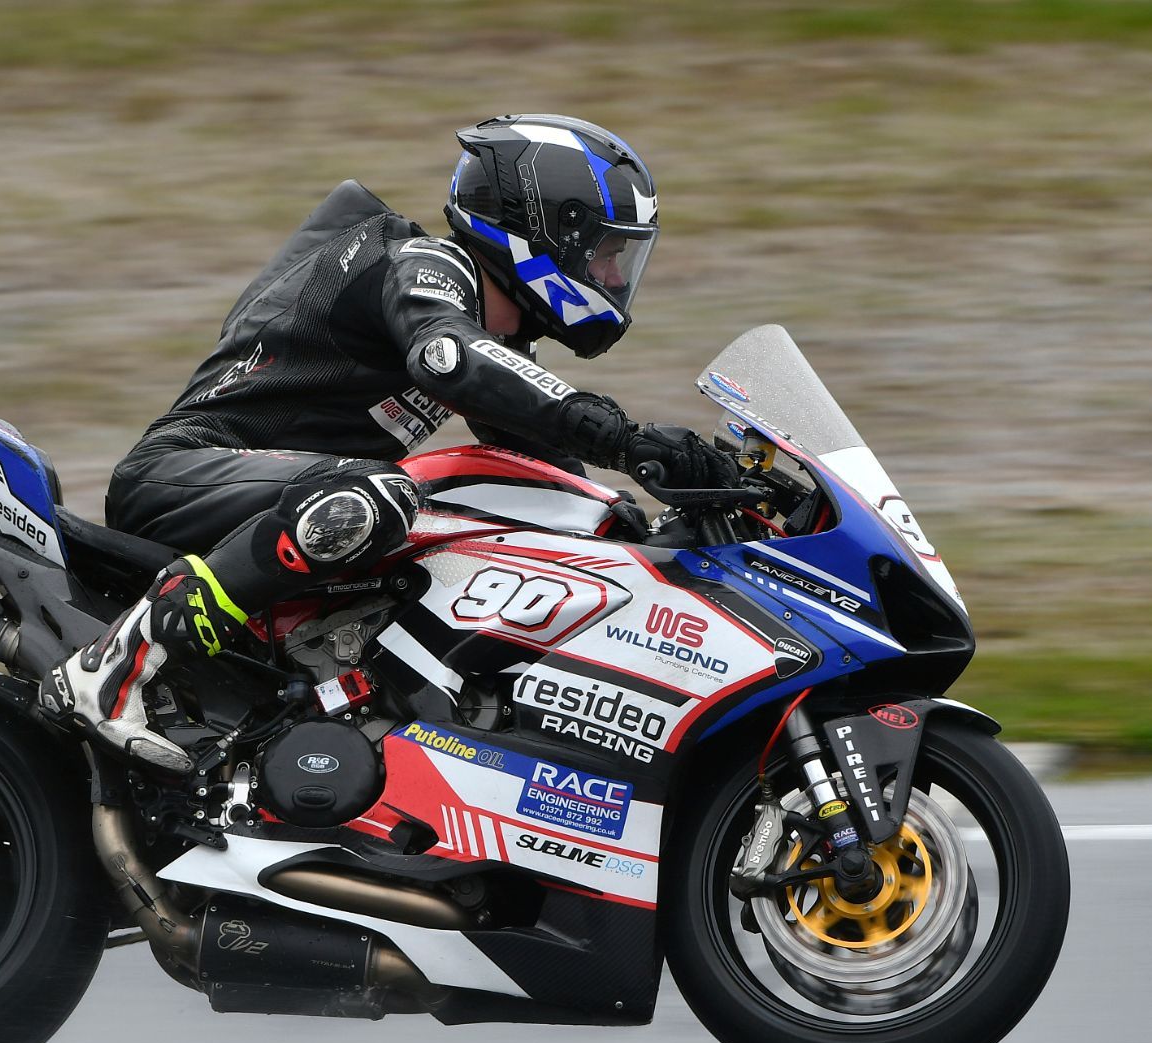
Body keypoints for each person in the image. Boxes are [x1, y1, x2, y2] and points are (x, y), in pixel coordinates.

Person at [43, 114, 738, 772]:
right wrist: (627, 436)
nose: (614, 278)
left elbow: (553, 481)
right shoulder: (423, 265)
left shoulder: (493, 341)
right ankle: (113, 667)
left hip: (278, 498)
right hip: (181, 473)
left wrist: (650, 528)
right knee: (379, 494)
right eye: (609, 253)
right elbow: (448, 356)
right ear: (547, 230)